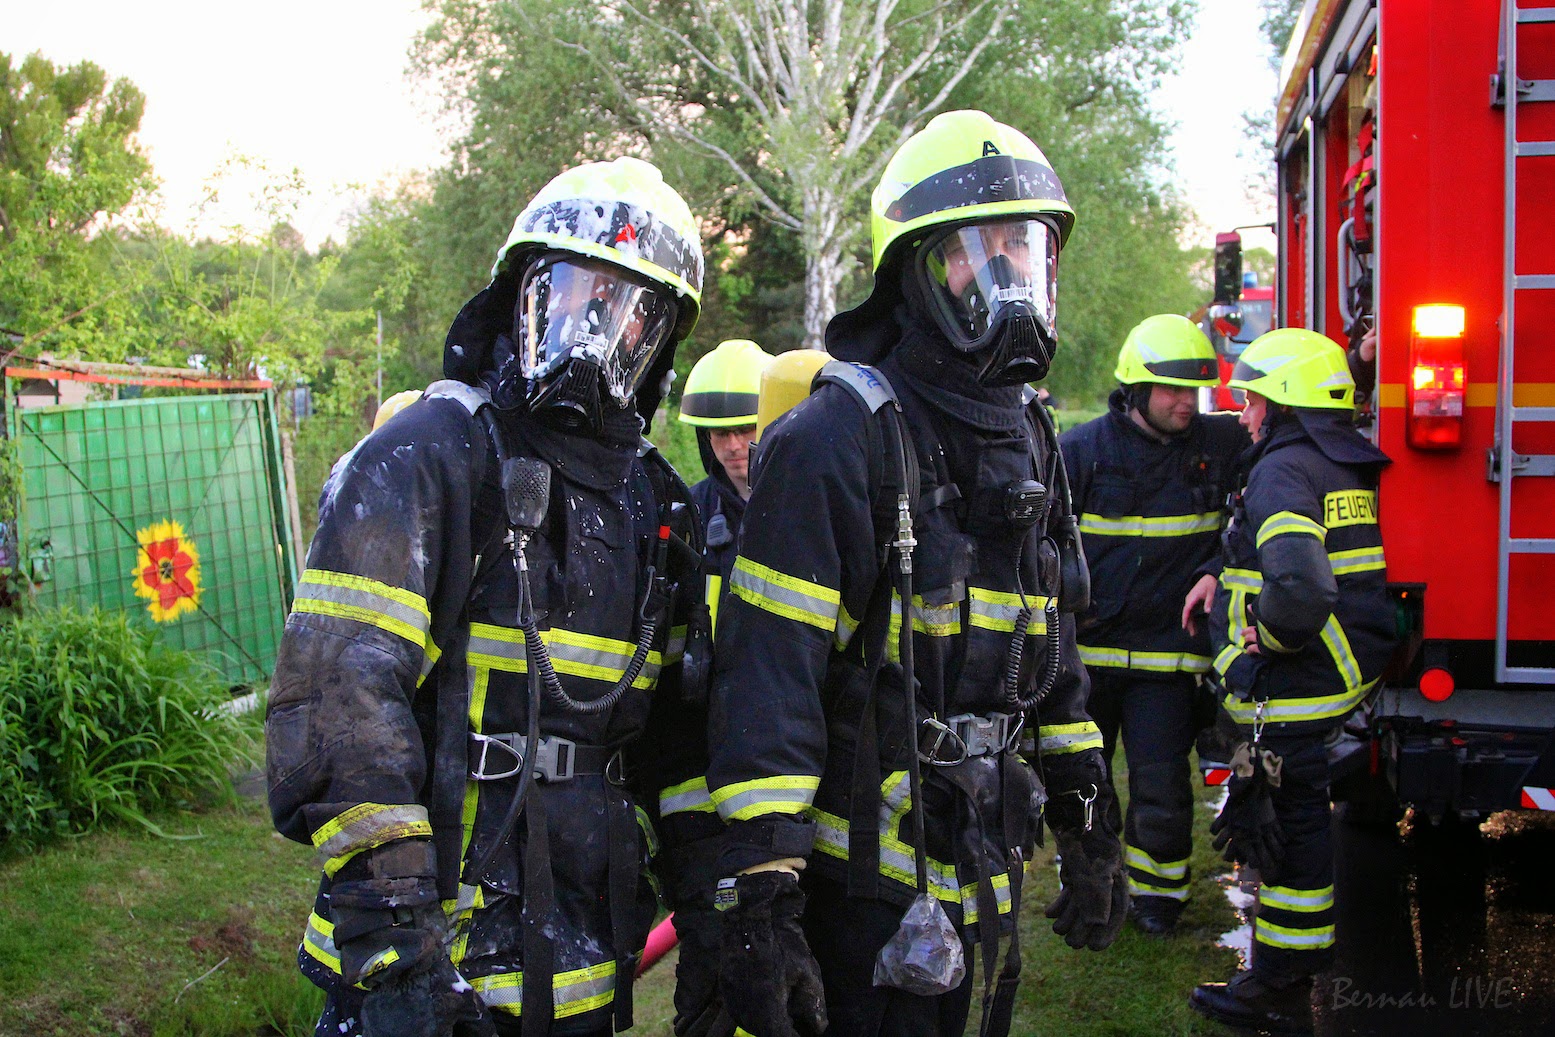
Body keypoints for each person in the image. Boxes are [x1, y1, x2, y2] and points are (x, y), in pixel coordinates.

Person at [687, 110, 1127, 1037]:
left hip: (973, 848)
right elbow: (771, 674)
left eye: (1025, 246)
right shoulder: (835, 436)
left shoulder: (1027, 433)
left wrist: (1088, 809)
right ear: (917, 273)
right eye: (978, 250)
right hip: (861, 880)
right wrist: (764, 893)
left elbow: (1046, 645)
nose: (1007, 273)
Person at [265, 156, 713, 1037]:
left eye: (626, 312)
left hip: (576, 967)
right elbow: (340, 691)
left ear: (659, 342)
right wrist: (400, 951)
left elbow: (675, 735)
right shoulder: (427, 452)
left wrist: (722, 911)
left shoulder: (657, 505)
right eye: (574, 291)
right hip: (422, 961)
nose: (594, 332)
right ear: (519, 295)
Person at [1188, 328, 1393, 1036]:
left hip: (1298, 674)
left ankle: (1276, 986)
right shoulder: (1333, 461)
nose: (1242, 414)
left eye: (1251, 399)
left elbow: (1301, 588)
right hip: (1341, 666)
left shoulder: (1282, 470)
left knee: (1292, 824)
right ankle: (1281, 974)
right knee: (1294, 817)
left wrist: (1263, 640)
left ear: (1283, 403)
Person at [1058, 314, 1248, 935]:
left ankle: (1159, 901)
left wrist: (1219, 570)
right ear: (1136, 391)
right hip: (1089, 662)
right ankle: (1091, 888)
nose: (1185, 405)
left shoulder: (1218, 448)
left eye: (1192, 391)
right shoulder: (1082, 452)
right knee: (1084, 787)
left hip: (1168, 665)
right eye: (1171, 391)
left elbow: (1284, 455)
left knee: (1162, 788)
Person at [677, 338, 774, 631]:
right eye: (720, 433)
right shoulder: (693, 511)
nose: (732, 445)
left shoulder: (803, 505)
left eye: (745, 429)